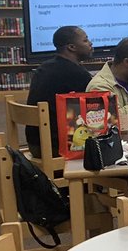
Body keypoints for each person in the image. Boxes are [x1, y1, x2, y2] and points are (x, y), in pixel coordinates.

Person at [25, 25, 93, 157]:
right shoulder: (78, 74)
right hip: (55, 148)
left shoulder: (43, 67)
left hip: (34, 144)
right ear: (71, 47)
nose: (90, 43)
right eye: (85, 40)